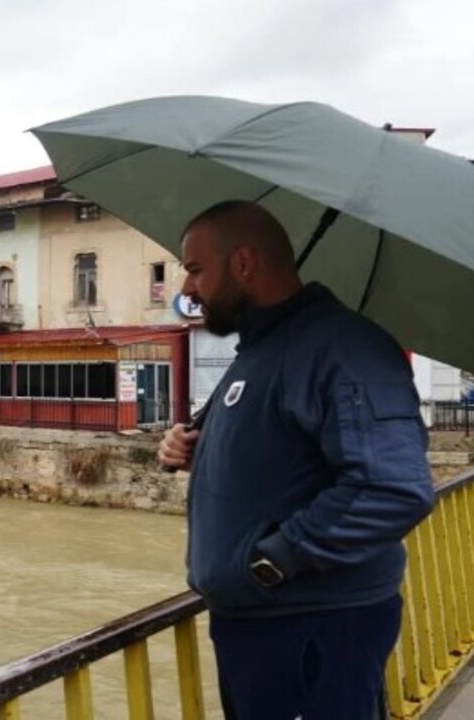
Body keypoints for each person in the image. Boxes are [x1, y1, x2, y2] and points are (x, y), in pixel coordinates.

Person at [158, 200, 435, 719]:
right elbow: (278, 451)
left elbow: (393, 488)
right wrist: (190, 447)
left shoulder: (343, 347)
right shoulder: (265, 348)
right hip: (265, 623)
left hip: (311, 626)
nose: (187, 290)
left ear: (243, 264)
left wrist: (273, 562)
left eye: (195, 270)